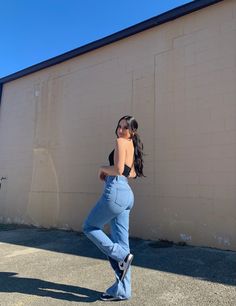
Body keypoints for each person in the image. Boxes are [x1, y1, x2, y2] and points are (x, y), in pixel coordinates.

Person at [83, 115, 145, 301]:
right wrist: (110, 171)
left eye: (125, 128)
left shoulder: (120, 142)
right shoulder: (132, 146)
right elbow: (131, 173)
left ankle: (122, 256)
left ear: (132, 131)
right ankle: (122, 291)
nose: (120, 130)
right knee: (122, 242)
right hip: (126, 193)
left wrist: (103, 169)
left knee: (90, 227)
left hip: (116, 191)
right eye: (119, 126)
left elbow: (117, 170)